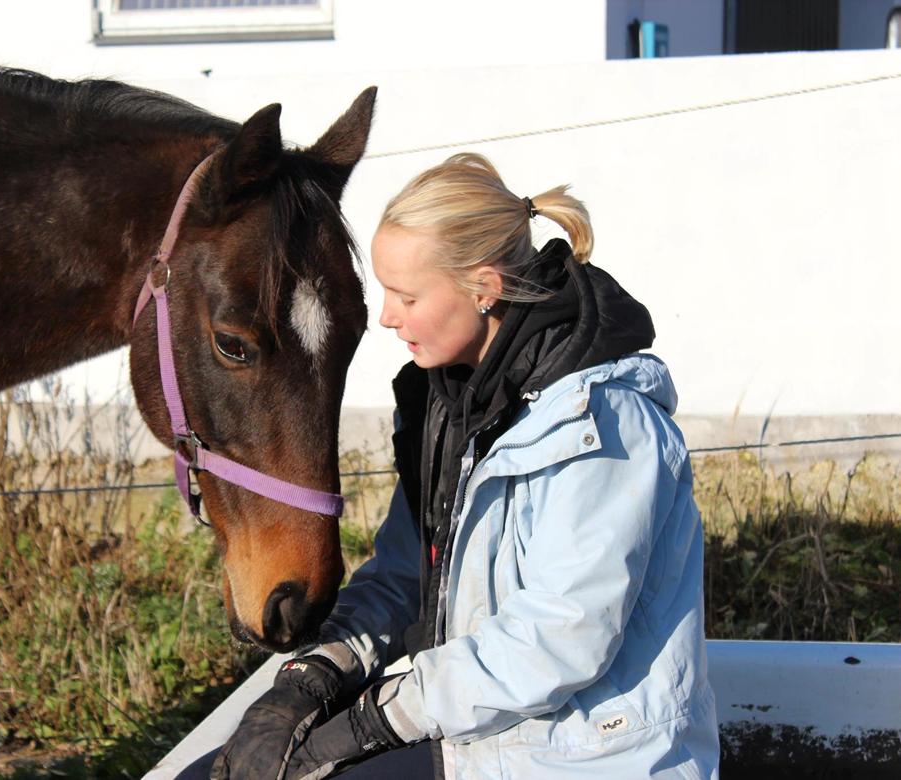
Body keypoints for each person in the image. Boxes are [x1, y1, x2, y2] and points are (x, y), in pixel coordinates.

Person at [200, 153, 719, 779]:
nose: (387, 316)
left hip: (590, 763)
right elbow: (405, 575)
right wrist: (311, 677)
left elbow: (561, 640)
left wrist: (374, 721)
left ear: (483, 288)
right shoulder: (449, 407)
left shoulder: (603, 427)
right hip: (485, 747)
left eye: (407, 296)